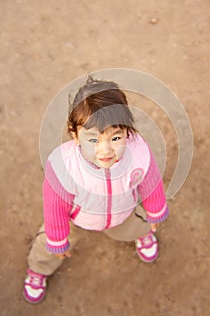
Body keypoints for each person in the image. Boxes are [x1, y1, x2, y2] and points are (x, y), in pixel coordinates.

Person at [23, 75, 169, 304]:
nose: (106, 150)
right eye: (93, 139)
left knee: (137, 226)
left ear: (128, 131)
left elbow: (150, 180)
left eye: (116, 137)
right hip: (74, 220)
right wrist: (58, 238)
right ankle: (38, 270)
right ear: (74, 134)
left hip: (123, 213)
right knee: (49, 245)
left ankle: (143, 235)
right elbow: (54, 207)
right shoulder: (63, 166)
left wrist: (156, 209)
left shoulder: (138, 151)